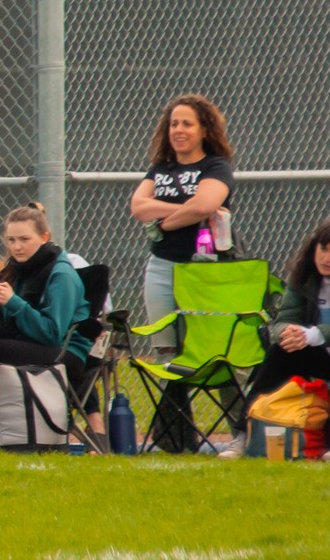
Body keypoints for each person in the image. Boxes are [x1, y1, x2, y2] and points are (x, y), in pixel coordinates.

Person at [128, 93, 242, 441]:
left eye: (187, 124)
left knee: (218, 351)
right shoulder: (159, 170)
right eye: (174, 123)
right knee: (167, 350)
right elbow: (138, 207)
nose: (179, 130)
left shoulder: (216, 167)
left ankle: (241, 433)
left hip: (207, 271)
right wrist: (185, 210)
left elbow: (206, 203)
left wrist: (162, 222)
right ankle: (176, 438)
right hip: (162, 268)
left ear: (204, 129)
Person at [0, 204, 91, 424]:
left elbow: (52, 333)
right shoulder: (16, 267)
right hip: (28, 338)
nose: (17, 247)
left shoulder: (61, 275)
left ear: (44, 237)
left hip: (63, 350)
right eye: (11, 240)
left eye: (25, 239)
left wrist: (12, 302)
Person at [249, 218, 330, 400]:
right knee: (281, 351)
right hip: (322, 356)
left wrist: (311, 335)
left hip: (318, 341)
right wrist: (289, 333)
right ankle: (252, 414)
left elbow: (312, 335)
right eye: (323, 249)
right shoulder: (304, 276)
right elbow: (285, 318)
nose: (326, 259)